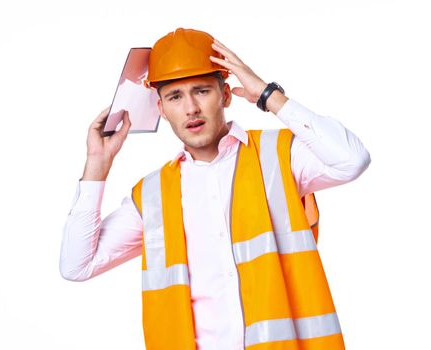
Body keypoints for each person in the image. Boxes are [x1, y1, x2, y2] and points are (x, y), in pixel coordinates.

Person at [60, 28, 371, 350]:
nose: (191, 108)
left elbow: (352, 160)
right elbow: (77, 265)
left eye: (202, 91)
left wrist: (267, 95)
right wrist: (98, 163)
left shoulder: (280, 156)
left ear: (224, 95)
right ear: (161, 109)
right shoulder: (152, 195)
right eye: (175, 97)